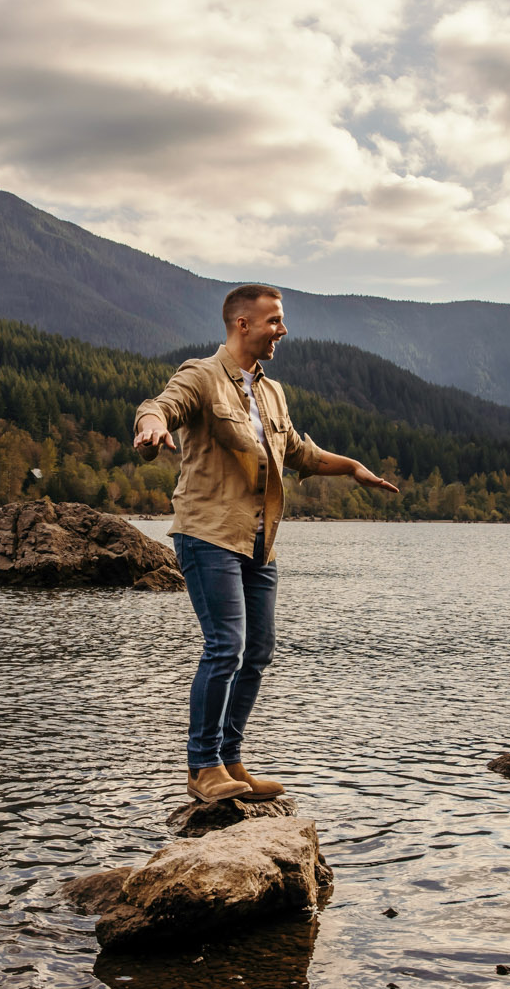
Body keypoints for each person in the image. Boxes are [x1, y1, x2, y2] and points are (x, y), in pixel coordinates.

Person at [134, 285, 399, 803]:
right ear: (243, 325)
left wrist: (352, 469)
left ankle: (231, 760)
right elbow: (159, 407)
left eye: (282, 320)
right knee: (225, 647)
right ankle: (202, 767)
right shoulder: (201, 375)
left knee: (257, 652)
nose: (282, 330)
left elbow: (300, 451)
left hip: (260, 539)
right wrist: (150, 429)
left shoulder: (271, 393)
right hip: (208, 533)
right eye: (274, 321)